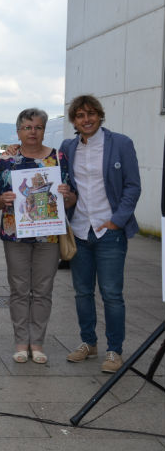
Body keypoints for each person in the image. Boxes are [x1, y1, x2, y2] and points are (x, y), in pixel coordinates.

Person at [60, 95, 141, 373]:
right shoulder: (68, 147)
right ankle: (88, 343)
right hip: (80, 229)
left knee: (111, 294)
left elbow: (132, 186)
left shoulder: (121, 143)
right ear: (74, 120)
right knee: (82, 292)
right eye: (80, 115)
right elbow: (57, 178)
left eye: (91, 114)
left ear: (100, 115)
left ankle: (114, 350)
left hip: (109, 232)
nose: (86, 119)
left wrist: (118, 220)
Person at [0, 108, 76, 364]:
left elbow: (71, 198)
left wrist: (66, 195)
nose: (32, 132)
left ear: (43, 130)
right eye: (27, 128)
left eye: (37, 127)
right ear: (18, 131)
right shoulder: (7, 160)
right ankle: (20, 343)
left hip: (48, 236)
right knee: (18, 289)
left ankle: (37, 343)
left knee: (42, 290)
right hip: (15, 233)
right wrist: (1, 199)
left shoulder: (58, 158)